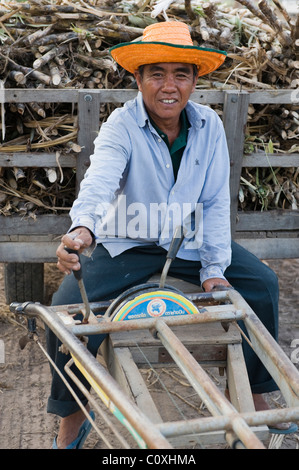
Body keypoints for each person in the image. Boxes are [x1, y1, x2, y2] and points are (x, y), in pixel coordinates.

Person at [47, 21, 296, 449]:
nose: (169, 86)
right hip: (130, 242)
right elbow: (100, 179)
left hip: (190, 242)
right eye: (156, 73)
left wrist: (214, 269)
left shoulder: (209, 127)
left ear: (194, 81)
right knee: (66, 309)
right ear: (138, 79)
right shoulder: (121, 126)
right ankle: (73, 416)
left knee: (262, 286)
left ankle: (257, 396)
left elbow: (217, 202)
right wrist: (83, 228)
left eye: (180, 74)